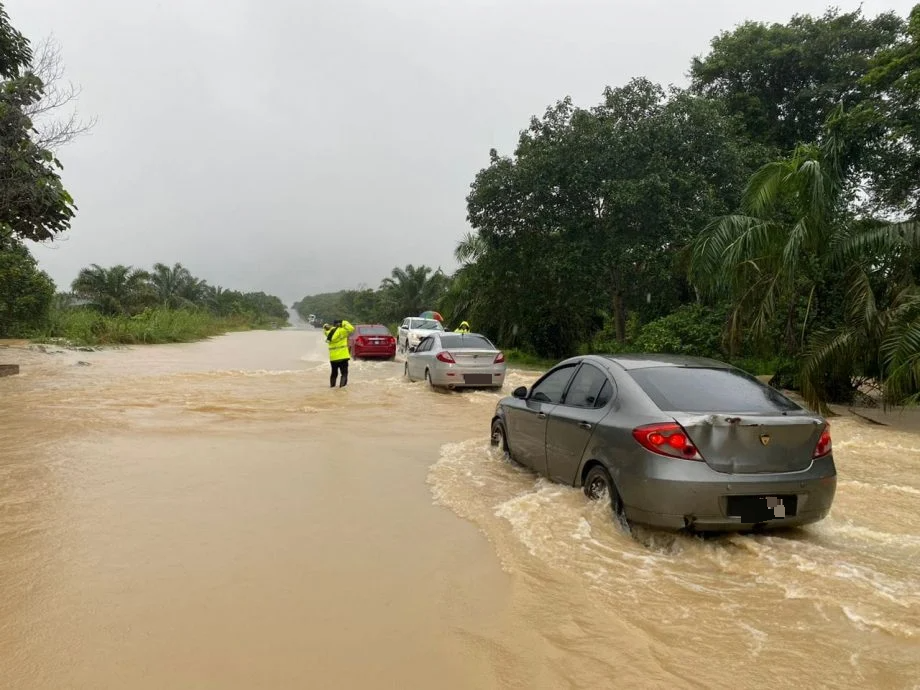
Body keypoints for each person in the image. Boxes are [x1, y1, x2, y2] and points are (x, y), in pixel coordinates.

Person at [326, 318, 355, 388]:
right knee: (344, 374)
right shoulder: (342, 331)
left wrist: (325, 325)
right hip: (343, 357)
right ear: (339, 324)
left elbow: (324, 329)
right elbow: (351, 328)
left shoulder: (329, 332)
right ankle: (342, 389)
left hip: (333, 357)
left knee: (334, 373)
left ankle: (332, 387)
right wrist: (343, 322)